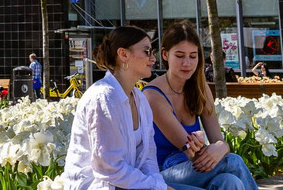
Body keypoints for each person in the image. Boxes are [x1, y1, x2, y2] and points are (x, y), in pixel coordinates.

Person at [145, 23, 259, 190]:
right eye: (180, 56)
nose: (187, 63)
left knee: (230, 182)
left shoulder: (200, 87)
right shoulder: (153, 95)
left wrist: (221, 146)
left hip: (193, 169)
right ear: (165, 54)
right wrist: (219, 148)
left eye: (193, 56)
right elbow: (191, 150)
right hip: (162, 174)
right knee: (233, 161)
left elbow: (218, 141)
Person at [62, 26, 172, 190]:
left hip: (132, 185)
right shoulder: (103, 98)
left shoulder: (140, 99)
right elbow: (109, 169)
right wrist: (157, 187)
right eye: (147, 51)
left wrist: (157, 185)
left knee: (224, 181)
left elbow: (148, 158)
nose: (153, 59)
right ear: (123, 55)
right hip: (100, 186)